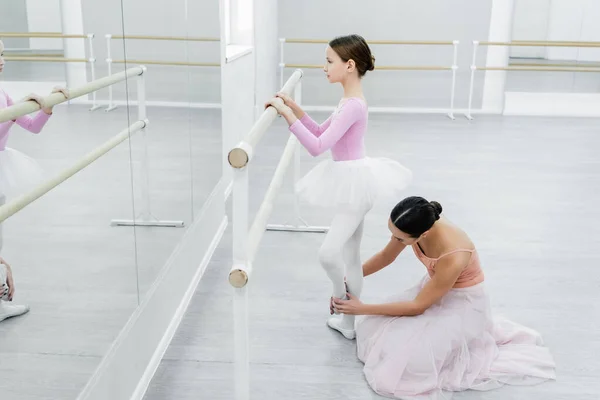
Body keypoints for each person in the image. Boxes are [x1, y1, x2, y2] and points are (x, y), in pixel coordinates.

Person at [332, 196, 556, 399]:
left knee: (412, 365)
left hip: (464, 303)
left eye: (399, 238)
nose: (394, 240)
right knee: (378, 332)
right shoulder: (414, 222)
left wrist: (362, 308)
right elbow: (386, 256)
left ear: (424, 234)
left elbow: (418, 306)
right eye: (392, 233)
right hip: (435, 288)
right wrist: (348, 277)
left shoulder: (454, 254)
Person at [266, 34, 413, 339]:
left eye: (329, 61)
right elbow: (322, 131)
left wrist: (285, 113)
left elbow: (317, 146)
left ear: (348, 65)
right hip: (354, 182)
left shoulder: (352, 106)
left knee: (328, 254)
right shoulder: (349, 101)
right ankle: (348, 324)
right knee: (350, 255)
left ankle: (341, 302)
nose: (324, 67)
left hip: (355, 186)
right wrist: (295, 108)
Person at [0, 40, 68, 323]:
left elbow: (33, 127)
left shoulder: (2, 93)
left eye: (2, 52)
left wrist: (47, 104)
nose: (1, 59)